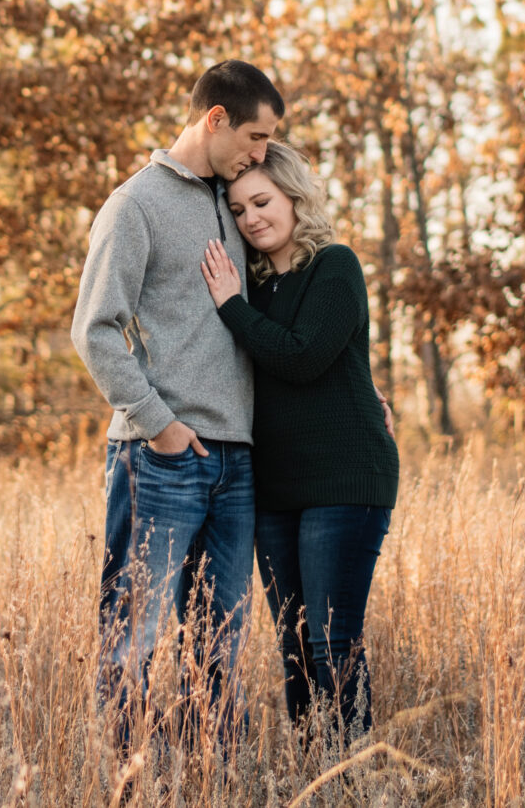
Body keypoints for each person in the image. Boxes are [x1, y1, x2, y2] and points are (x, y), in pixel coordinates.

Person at [71, 59, 286, 748]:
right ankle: (125, 781)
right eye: (255, 136)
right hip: (160, 457)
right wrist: (159, 424)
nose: (263, 154)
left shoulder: (238, 200)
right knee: (132, 638)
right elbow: (94, 328)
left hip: (236, 461)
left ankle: (210, 780)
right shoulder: (134, 205)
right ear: (215, 118)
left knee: (221, 643)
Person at [198, 138, 399, 740]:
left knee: (331, 641)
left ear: (293, 197)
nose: (251, 218)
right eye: (237, 210)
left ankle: (352, 780)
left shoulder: (335, 266)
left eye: (261, 202)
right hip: (276, 485)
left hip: (345, 474)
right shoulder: (255, 289)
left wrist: (230, 304)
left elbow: (305, 357)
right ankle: (317, 771)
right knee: (293, 642)